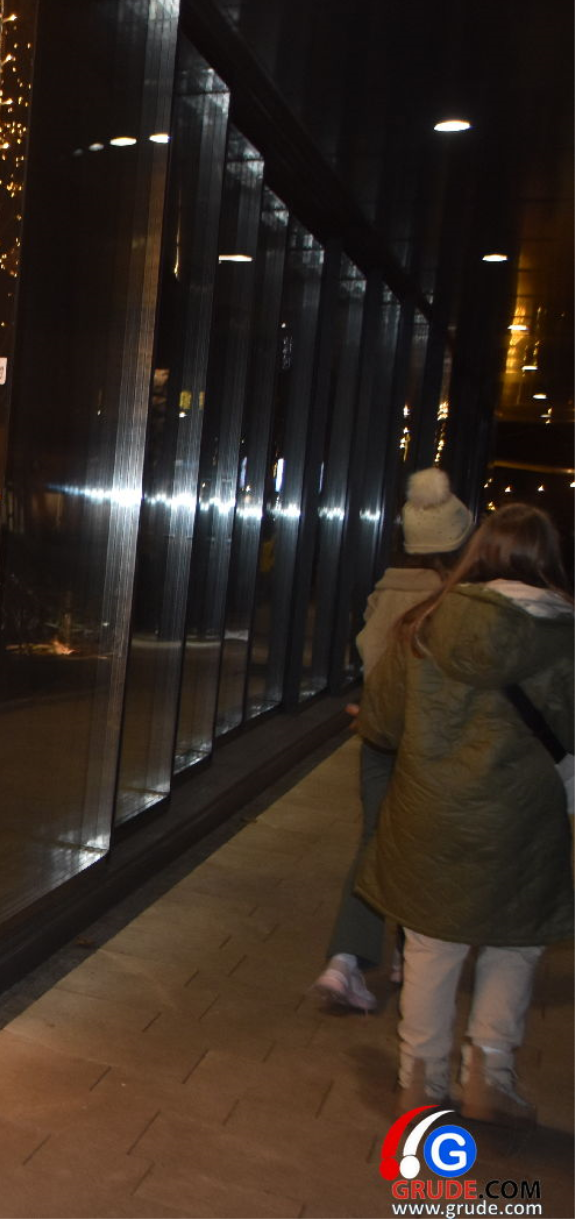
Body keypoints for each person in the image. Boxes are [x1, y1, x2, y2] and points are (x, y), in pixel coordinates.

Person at [358, 503, 575, 1124]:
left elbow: (381, 725)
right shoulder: (565, 637)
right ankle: (490, 1075)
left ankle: (420, 1080)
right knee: (515, 942)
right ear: (548, 558)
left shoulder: (424, 625)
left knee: (431, 946)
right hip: (524, 821)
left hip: (431, 813)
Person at [312, 467, 472, 1012]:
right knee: (426, 846)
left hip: (378, 737)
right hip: (430, 744)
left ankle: (346, 960)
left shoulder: (384, 591)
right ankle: (407, 955)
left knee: (376, 841)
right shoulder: (456, 604)